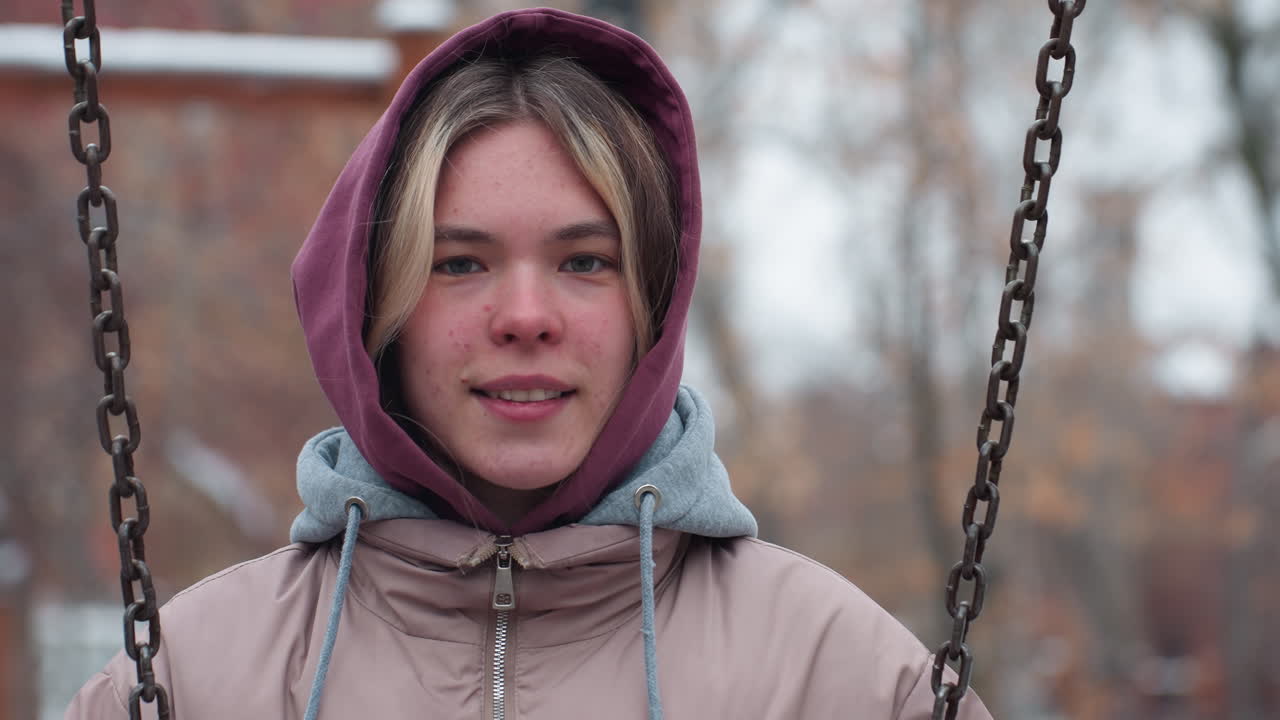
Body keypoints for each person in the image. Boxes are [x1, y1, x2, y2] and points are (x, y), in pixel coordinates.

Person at [67, 8, 993, 719]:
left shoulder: (837, 677)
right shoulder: (194, 679)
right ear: (377, 303)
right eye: (459, 262)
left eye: (584, 261)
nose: (524, 317)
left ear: (652, 306)